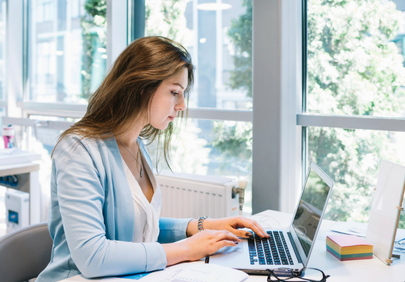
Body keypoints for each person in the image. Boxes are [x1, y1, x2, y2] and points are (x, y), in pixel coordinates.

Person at [36, 36, 268, 281]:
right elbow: (93, 257)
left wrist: (202, 226)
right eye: (174, 92)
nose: (182, 105)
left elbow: (139, 227)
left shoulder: (137, 145)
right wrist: (188, 248)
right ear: (140, 86)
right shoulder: (78, 149)